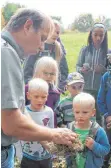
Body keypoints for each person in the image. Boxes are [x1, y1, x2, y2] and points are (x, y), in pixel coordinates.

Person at [1, 8, 76, 168]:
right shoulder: (6, 54)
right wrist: (53, 133)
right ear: (27, 26)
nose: (42, 47)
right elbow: (11, 124)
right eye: (42, 38)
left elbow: (18, 111)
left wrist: (45, 140)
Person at [76, 23, 108, 126]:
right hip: (86, 87)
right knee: (85, 112)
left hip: (100, 89)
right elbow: (77, 66)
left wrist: (103, 70)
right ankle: (84, 133)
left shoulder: (107, 53)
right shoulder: (85, 50)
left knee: (99, 115)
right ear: (91, 35)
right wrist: (82, 70)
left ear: (104, 36)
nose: (98, 38)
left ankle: (99, 135)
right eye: (95, 35)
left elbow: (109, 72)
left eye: (101, 35)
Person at [67, 93, 110, 168]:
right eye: (77, 112)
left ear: (93, 112)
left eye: (85, 112)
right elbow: (65, 149)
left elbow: (106, 150)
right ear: (73, 111)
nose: (80, 115)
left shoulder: (98, 131)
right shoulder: (70, 128)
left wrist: (94, 146)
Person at [24, 20, 68, 92]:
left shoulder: (59, 49)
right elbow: (27, 71)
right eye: (53, 31)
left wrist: (57, 87)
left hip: (52, 91)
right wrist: (32, 86)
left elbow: (64, 71)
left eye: (57, 32)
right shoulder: (36, 47)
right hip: (36, 91)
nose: (55, 34)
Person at [21, 78, 54, 168]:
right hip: (28, 155)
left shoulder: (49, 111)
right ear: (28, 96)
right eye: (36, 96)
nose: (40, 100)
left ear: (47, 96)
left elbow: (51, 131)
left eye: (43, 97)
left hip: (46, 156)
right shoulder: (24, 112)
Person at [25, 56, 60, 127]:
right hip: (29, 126)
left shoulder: (55, 93)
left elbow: (55, 114)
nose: (49, 76)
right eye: (45, 73)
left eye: (52, 74)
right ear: (37, 72)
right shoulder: (28, 88)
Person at [97, 51, 111, 168]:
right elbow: (100, 99)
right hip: (109, 119)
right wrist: (107, 115)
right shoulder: (106, 77)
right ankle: (105, 163)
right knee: (108, 143)